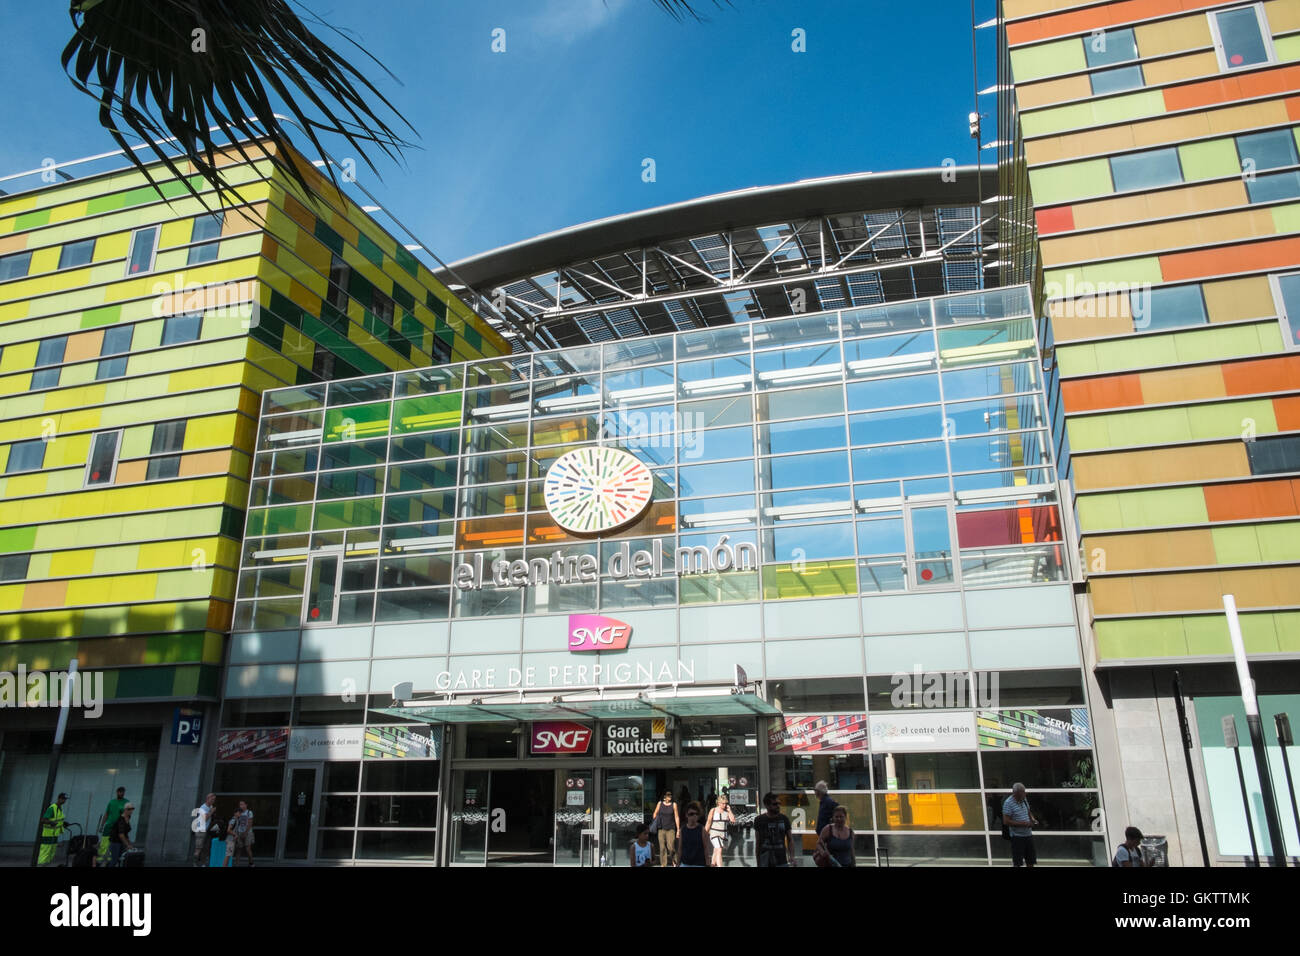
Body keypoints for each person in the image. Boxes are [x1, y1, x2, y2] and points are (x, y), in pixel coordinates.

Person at [1002, 783, 1039, 868]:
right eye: (1022, 792)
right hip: (1017, 837)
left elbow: (1028, 812)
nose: (1024, 794)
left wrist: (1033, 820)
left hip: (1028, 835)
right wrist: (1024, 824)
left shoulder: (1024, 799)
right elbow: (1006, 821)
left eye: (1024, 792)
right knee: (1017, 862)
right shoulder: (1008, 803)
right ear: (1016, 793)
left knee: (1031, 860)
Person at [755, 792, 797, 867]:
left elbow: (790, 839)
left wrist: (792, 856)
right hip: (765, 861)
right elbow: (758, 843)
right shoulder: (759, 820)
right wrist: (758, 862)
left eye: (779, 803)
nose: (778, 806)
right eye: (774, 804)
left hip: (781, 860)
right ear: (767, 805)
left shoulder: (784, 819)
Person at [97, 786, 128, 866]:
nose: (122, 793)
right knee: (104, 843)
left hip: (118, 828)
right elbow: (106, 814)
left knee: (115, 845)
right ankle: (101, 860)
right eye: (120, 792)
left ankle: (111, 861)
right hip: (108, 826)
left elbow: (127, 815)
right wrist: (102, 825)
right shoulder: (111, 802)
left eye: (123, 792)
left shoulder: (126, 802)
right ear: (117, 792)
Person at [702, 793, 735, 867]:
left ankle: (713, 864)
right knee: (719, 849)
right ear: (718, 803)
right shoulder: (713, 810)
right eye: (723, 803)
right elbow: (708, 822)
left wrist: (729, 811)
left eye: (726, 803)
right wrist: (704, 833)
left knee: (716, 850)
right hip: (714, 833)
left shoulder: (727, 811)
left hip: (723, 834)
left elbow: (733, 820)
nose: (724, 805)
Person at [38, 792, 69, 866]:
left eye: (65, 799)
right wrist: (51, 822)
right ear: (59, 799)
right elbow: (43, 820)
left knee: (51, 852)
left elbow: (58, 820)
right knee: (45, 852)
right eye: (63, 799)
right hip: (48, 835)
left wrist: (63, 824)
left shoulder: (59, 808)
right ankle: (41, 865)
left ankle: (46, 865)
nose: (64, 801)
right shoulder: (52, 808)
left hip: (54, 835)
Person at [651, 790, 680, 867]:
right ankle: (663, 864)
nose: (669, 796)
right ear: (664, 796)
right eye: (668, 795)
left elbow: (676, 817)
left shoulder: (674, 805)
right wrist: (656, 820)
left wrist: (678, 829)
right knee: (662, 848)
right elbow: (655, 813)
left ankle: (675, 861)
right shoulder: (660, 803)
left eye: (670, 795)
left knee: (671, 847)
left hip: (671, 828)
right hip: (661, 828)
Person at [224, 801, 255, 867]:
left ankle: (251, 862)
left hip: (246, 833)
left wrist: (245, 832)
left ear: (246, 805)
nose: (241, 806)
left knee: (247, 848)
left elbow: (250, 823)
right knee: (238, 849)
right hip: (236, 835)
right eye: (240, 804)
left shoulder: (249, 812)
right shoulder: (234, 818)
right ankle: (236, 864)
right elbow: (229, 829)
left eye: (242, 804)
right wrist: (236, 834)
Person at [678, 803, 708, 867]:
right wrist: (678, 863)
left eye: (696, 814)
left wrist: (708, 863)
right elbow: (680, 848)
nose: (694, 816)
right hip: (685, 863)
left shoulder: (702, 829)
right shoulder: (682, 830)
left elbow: (705, 847)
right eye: (691, 814)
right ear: (687, 815)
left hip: (699, 863)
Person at [191, 793, 216, 867]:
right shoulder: (203, 807)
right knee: (198, 848)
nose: (213, 801)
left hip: (207, 830)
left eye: (214, 800)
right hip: (200, 830)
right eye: (212, 799)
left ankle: (203, 863)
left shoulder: (210, 806)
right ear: (207, 798)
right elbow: (205, 819)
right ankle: (194, 863)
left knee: (205, 848)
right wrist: (211, 812)